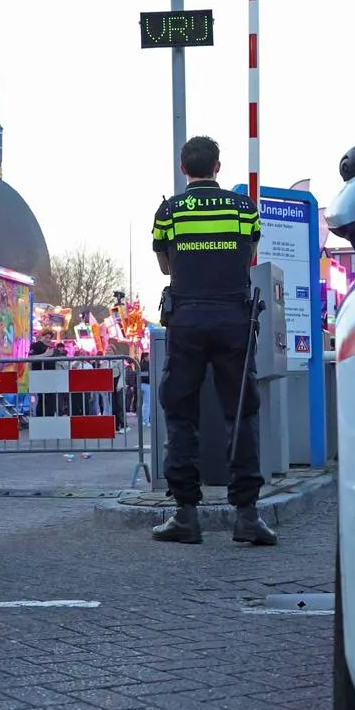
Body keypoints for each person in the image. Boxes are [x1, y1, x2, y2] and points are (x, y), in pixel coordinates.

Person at [149, 135, 275, 546]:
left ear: (184, 169)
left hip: (186, 318)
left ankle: (186, 514)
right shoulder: (243, 208)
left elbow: (166, 265)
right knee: (240, 410)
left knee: (181, 411)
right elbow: (248, 256)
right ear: (218, 167)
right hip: (234, 318)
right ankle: (247, 516)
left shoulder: (169, 211)